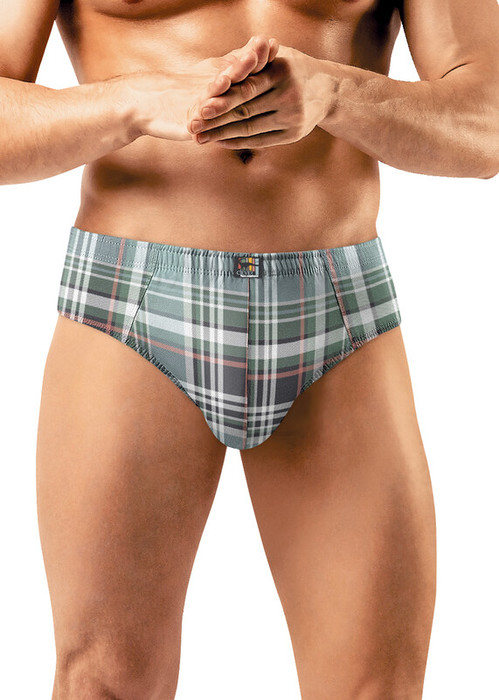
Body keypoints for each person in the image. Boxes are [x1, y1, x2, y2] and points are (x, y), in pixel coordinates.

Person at [1, 1, 497, 698]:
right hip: (133, 301)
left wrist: (334, 92)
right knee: (103, 683)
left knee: (376, 688)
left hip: (334, 303)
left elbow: (486, 121)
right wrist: (135, 101)